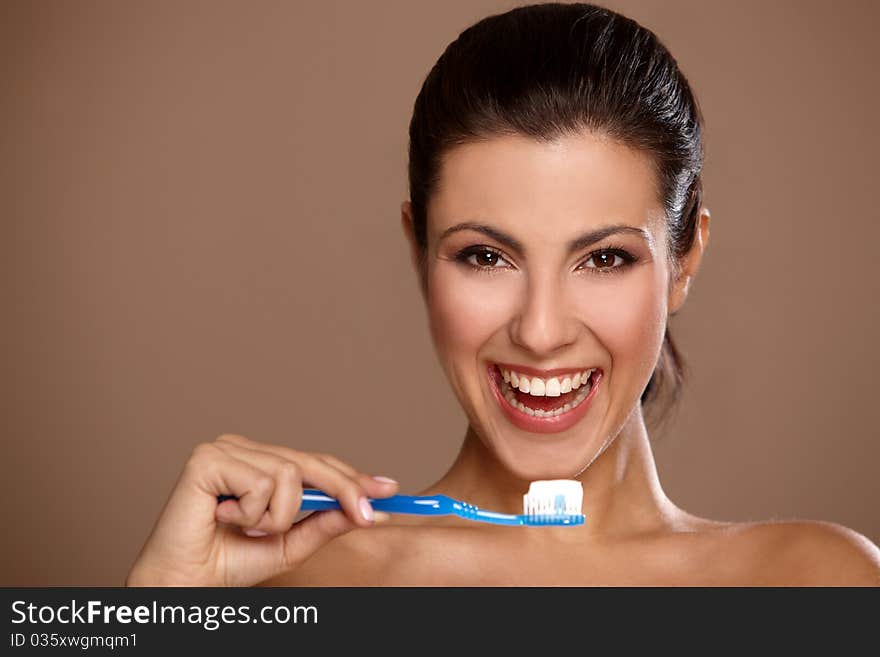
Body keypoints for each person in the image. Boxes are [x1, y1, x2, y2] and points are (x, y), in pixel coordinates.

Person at [126, 2, 879, 587]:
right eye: (486, 256)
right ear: (420, 251)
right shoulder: (305, 583)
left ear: (685, 259)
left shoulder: (820, 581)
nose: (541, 330)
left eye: (605, 257)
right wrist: (158, 610)